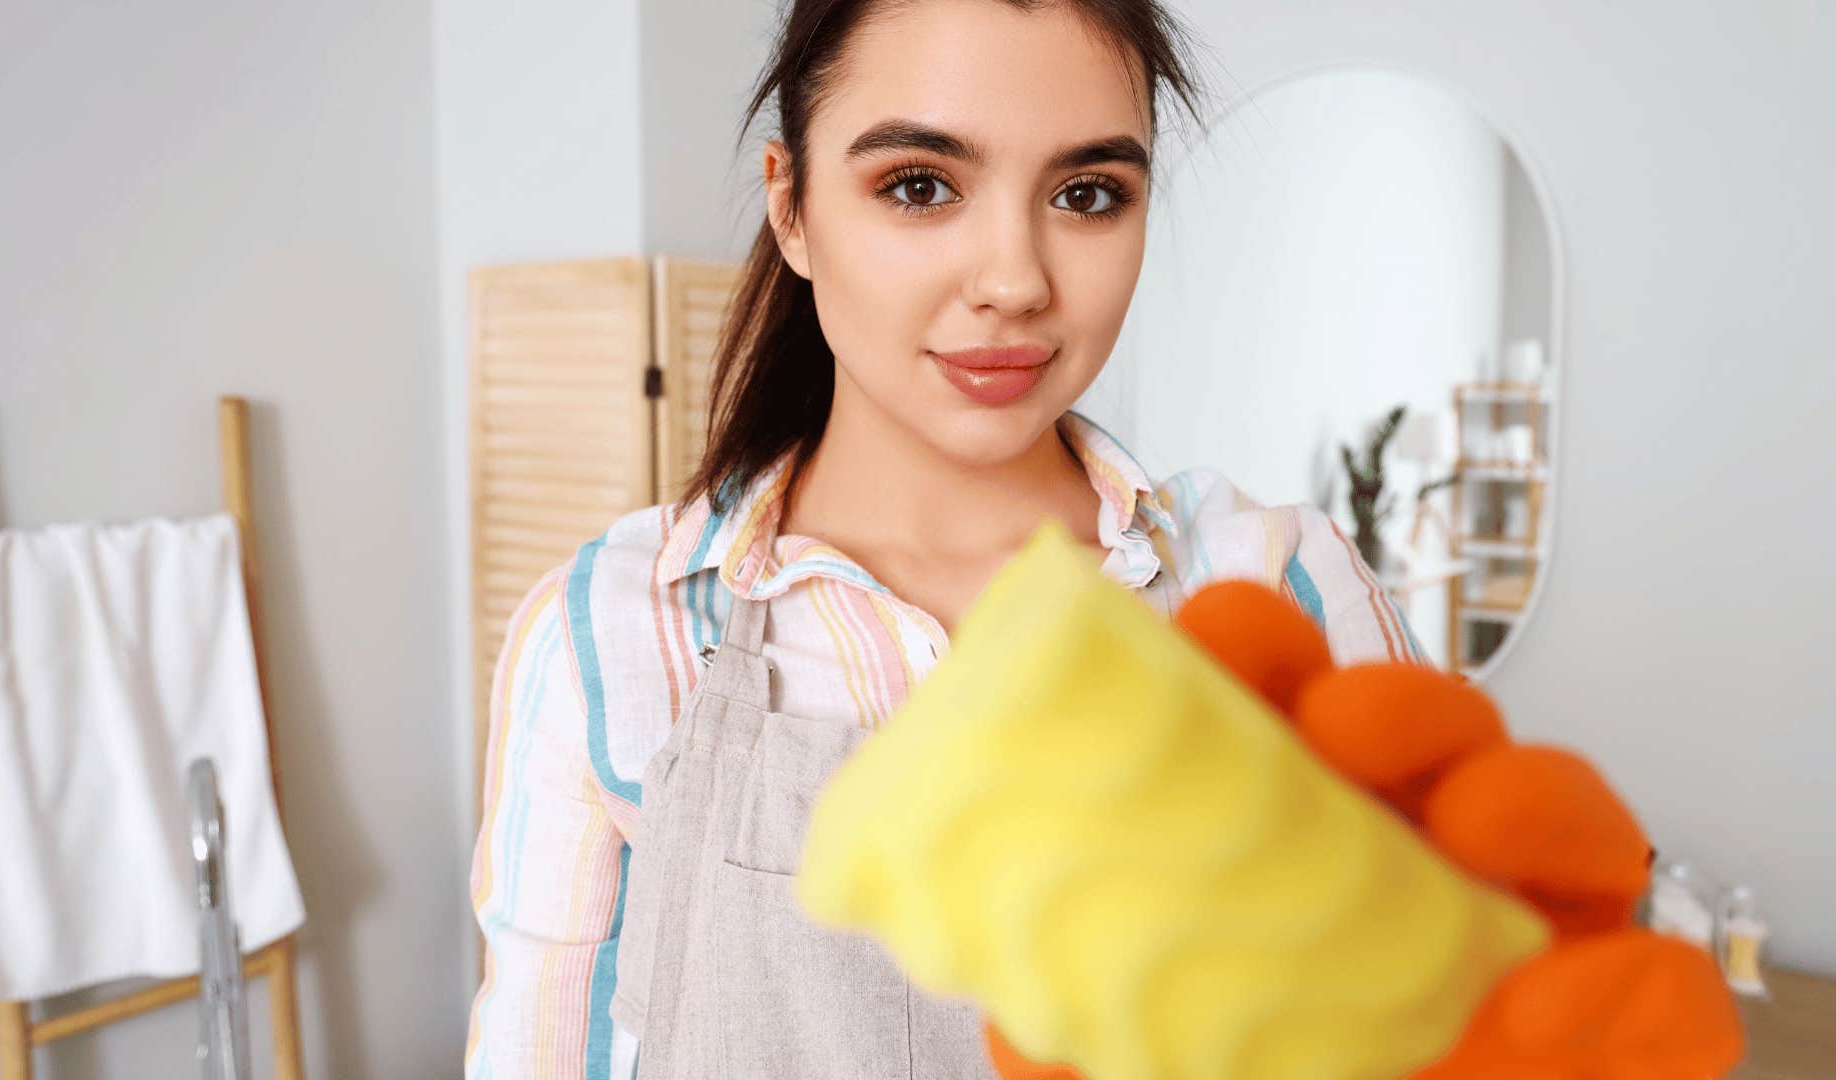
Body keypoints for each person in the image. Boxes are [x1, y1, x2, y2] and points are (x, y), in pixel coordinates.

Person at [466, 0, 1422, 1076]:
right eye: (920, 187)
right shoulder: (608, 636)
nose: (1014, 280)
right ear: (791, 208)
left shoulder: (1281, 587)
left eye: (1087, 195)